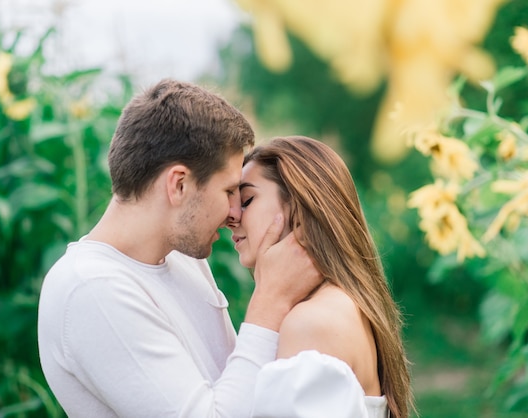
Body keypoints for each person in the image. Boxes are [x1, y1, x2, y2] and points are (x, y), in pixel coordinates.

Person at [37, 80, 321, 418]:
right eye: (229, 191)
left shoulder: (183, 259)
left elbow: (235, 386)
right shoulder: (91, 289)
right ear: (179, 184)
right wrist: (270, 302)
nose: (234, 213)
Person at [227, 136, 414, 418]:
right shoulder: (347, 303)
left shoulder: (310, 324)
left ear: (299, 208)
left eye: (246, 200)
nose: (231, 216)